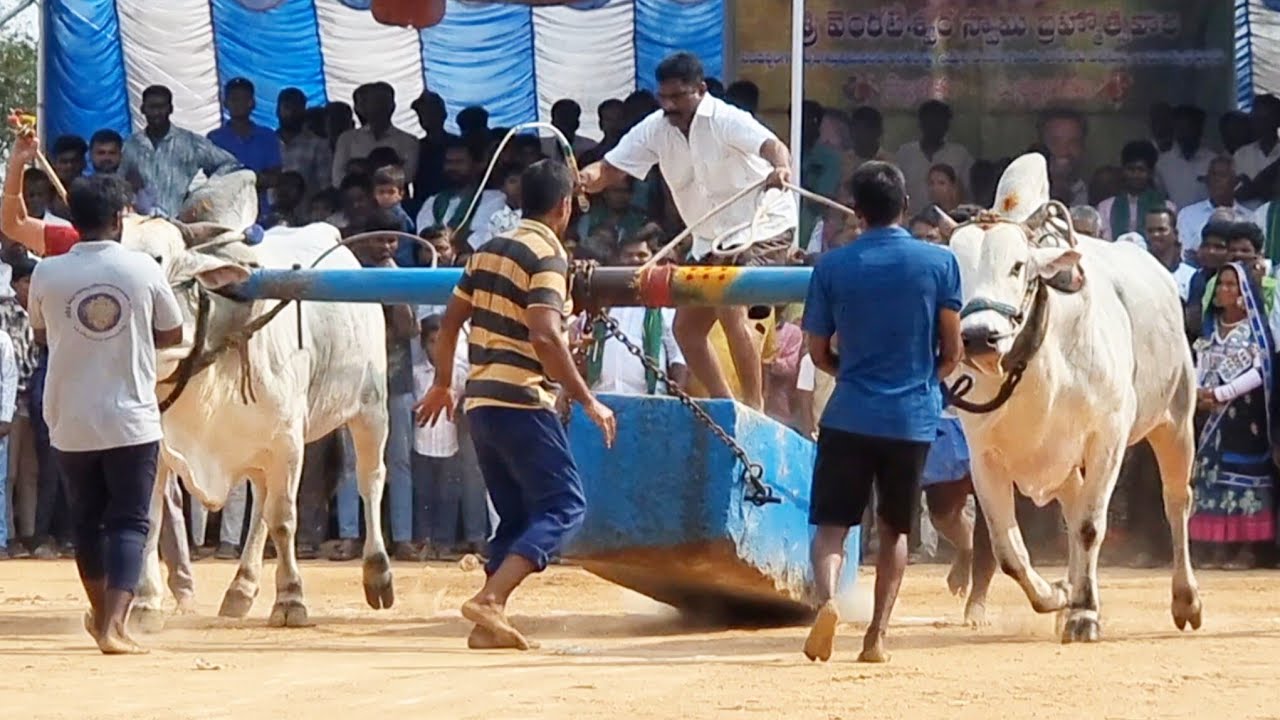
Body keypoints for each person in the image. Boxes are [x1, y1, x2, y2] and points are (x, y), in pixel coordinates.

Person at [415, 160, 616, 651]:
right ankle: (490, 600)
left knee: (517, 515)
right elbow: (545, 334)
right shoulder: (547, 254)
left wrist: (444, 382)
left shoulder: (486, 251)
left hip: (481, 402)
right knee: (566, 506)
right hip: (523, 399)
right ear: (565, 205)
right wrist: (588, 400)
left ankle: (489, 619)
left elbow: (449, 324)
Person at [800, 161, 963, 664]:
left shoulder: (831, 266)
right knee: (895, 530)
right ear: (905, 207)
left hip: (849, 410)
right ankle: (877, 636)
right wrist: (926, 382)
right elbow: (952, 351)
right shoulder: (938, 263)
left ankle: (827, 602)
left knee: (832, 527)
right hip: (910, 417)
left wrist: (845, 370)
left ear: (856, 211)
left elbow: (816, 350)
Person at [578, 51, 798, 412]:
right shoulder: (655, 128)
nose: (669, 105)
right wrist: (587, 178)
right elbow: (611, 168)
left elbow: (773, 146)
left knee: (727, 295)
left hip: (763, 226)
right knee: (686, 330)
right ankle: (726, 406)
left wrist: (782, 168)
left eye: (678, 97)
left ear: (700, 89)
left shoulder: (726, 119)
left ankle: (754, 409)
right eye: (664, 97)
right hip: (713, 239)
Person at [27, 174, 184, 653]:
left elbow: (40, 332)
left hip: (69, 418)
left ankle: (101, 616)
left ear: (73, 221)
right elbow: (172, 333)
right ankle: (115, 626)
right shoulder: (143, 270)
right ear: (119, 219)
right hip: (130, 417)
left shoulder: (47, 272)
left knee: (86, 520)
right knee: (130, 522)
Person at [1189, 262, 1277, 569]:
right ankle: (1217, 547)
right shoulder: (1210, 330)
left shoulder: (1254, 333)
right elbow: (1199, 365)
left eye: (1232, 285)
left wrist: (1222, 394)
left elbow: (1260, 372)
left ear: (1244, 293)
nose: (1225, 290)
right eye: (1222, 284)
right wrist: (1199, 393)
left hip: (1243, 419)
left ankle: (1246, 550)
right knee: (1211, 479)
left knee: (1245, 480)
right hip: (1211, 418)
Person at [119, 85, 240, 218]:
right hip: (141, 225)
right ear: (143, 109)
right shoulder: (130, 146)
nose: (156, 113)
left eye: (161, 107)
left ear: (170, 109)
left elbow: (230, 164)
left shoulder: (190, 143)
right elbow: (118, 182)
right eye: (152, 107)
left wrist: (205, 192)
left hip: (178, 224)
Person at [1097, 140, 1175, 241]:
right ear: (1123, 170)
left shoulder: (1167, 208)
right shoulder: (1106, 207)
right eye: (1131, 169)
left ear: (1151, 173)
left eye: (1141, 170)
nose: (1135, 175)